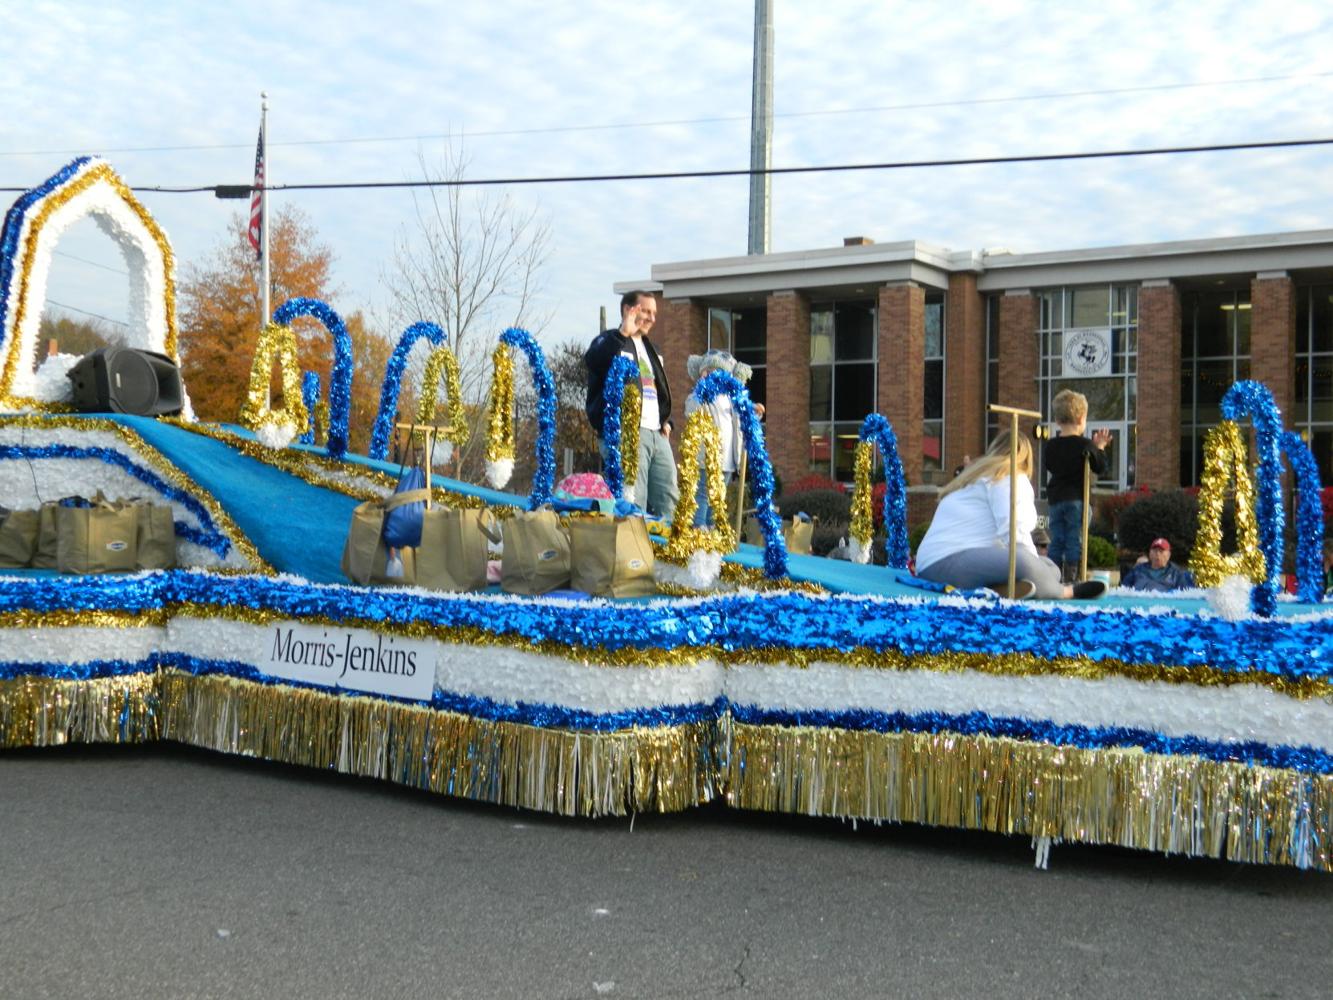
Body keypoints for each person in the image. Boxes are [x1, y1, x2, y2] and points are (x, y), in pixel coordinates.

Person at [915, 432, 1105, 600]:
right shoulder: (1009, 476)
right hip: (950, 562)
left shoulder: (973, 479)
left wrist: (1039, 567)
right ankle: (1066, 592)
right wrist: (1034, 568)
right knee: (1032, 565)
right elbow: (1015, 531)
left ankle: (998, 589)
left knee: (1050, 567)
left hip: (931, 565)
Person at [584, 290, 678, 518]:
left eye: (654, 313)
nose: (652, 318)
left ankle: (668, 551)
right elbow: (593, 361)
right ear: (628, 309)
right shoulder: (609, 341)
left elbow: (657, 389)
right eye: (646, 311)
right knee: (633, 501)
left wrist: (667, 422)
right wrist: (623, 332)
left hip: (657, 433)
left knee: (670, 500)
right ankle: (633, 551)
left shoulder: (652, 350)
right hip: (627, 434)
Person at [683, 349, 764, 527]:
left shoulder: (732, 399)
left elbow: (743, 420)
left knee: (718, 497)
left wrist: (754, 412)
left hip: (727, 458)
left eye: (719, 373)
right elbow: (691, 411)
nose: (714, 376)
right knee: (704, 494)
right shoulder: (700, 395)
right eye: (709, 372)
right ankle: (698, 531)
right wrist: (702, 389)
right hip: (707, 456)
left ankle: (712, 532)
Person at [1043, 389, 1110, 583]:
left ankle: (1052, 576)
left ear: (1057, 420)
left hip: (1056, 499)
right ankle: (1074, 578)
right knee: (1075, 539)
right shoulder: (1085, 444)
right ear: (1082, 418)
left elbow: (1049, 465)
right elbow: (1100, 467)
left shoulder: (1051, 445)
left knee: (1057, 539)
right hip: (1077, 498)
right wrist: (1100, 448)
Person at [1120, 538, 1196, 592]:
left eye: (1161, 551)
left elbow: (1187, 595)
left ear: (1169, 555)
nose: (1157, 554)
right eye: (1155, 551)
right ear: (1150, 553)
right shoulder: (1137, 570)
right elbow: (1122, 590)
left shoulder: (1177, 574)